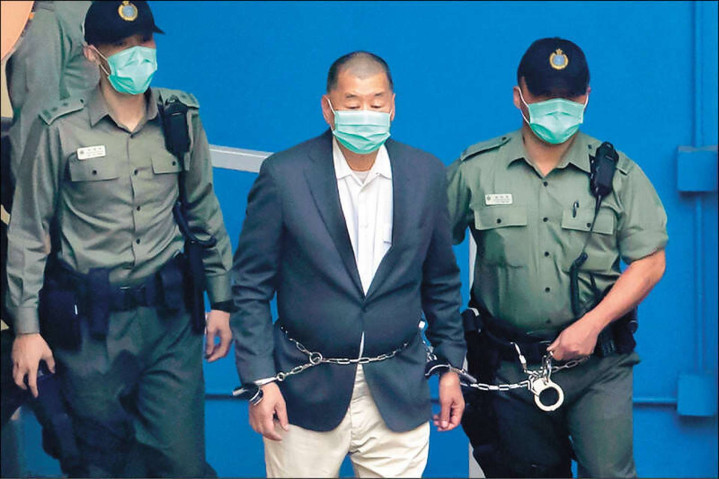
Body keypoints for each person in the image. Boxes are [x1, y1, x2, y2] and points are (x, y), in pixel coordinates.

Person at [5, 1, 234, 476]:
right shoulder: (59, 129)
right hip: (91, 330)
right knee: (101, 465)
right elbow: (28, 232)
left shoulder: (180, 116)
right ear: (93, 55)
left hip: (169, 322)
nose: (137, 54)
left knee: (182, 464)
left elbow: (203, 211)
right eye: (120, 45)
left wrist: (222, 301)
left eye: (144, 41)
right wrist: (27, 330)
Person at [231, 51, 466, 478]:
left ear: (393, 106)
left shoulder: (426, 174)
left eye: (376, 103)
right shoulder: (285, 175)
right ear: (328, 108)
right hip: (303, 389)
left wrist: (450, 366)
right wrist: (261, 380)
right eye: (352, 104)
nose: (366, 115)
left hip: (398, 387)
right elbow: (250, 284)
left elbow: (441, 281)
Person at [447, 37, 667, 478]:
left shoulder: (620, 174)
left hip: (598, 366)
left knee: (608, 473)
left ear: (586, 98)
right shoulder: (476, 170)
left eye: (569, 96)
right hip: (510, 367)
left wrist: (593, 324)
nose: (558, 107)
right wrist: (444, 351)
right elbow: (427, 253)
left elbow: (650, 261)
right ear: (519, 96)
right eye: (546, 96)